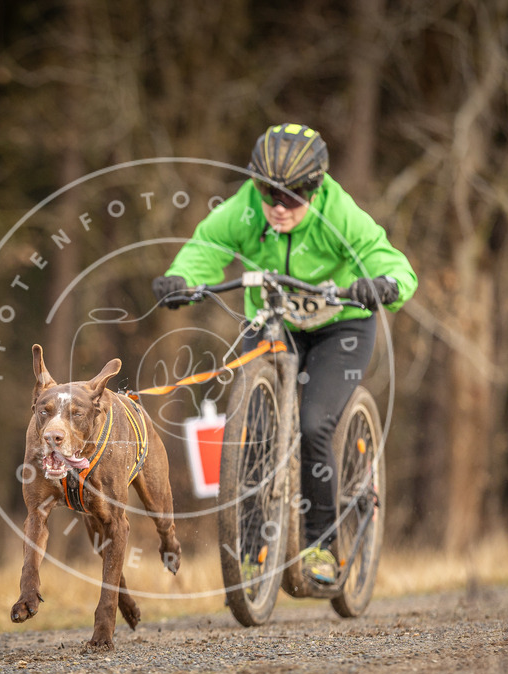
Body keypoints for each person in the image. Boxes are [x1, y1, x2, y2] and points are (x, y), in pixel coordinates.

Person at [152, 123, 417, 585]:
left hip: (341, 328)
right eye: (267, 192)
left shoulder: (340, 213)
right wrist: (181, 279)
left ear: (315, 190)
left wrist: (385, 283)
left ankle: (321, 547)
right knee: (253, 430)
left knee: (315, 424)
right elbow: (206, 248)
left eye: (292, 196)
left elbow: (387, 258)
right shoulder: (246, 209)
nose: (277, 206)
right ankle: (256, 546)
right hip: (276, 324)